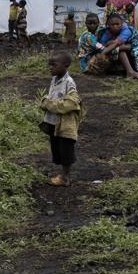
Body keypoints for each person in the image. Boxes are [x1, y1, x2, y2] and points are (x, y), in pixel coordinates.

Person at [38, 51, 83, 186]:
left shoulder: (69, 83)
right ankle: (63, 175)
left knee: (66, 150)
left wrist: (49, 104)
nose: (50, 67)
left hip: (64, 124)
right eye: (49, 65)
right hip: (54, 122)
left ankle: (65, 177)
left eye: (54, 65)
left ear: (66, 65)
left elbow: (73, 102)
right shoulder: (55, 79)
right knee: (57, 148)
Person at [86, 13, 138, 78]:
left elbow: (116, 43)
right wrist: (107, 45)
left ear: (122, 24)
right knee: (117, 49)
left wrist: (101, 54)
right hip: (126, 46)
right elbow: (103, 45)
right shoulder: (107, 32)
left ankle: (132, 71)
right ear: (108, 25)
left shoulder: (126, 30)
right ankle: (129, 71)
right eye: (112, 25)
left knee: (117, 48)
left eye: (117, 24)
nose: (115, 26)